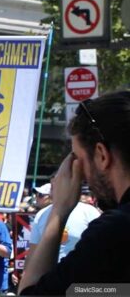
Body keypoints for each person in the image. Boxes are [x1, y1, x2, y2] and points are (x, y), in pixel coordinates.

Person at [19, 92, 130, 294]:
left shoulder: (114, 232)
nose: (80, 174)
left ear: (102, 155)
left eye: (77, 159)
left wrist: (59, 211)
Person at [27, 177, 100, 265]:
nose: (54, 188)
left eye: (59, 183)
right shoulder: (41, 214)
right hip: (50, 274)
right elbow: (33, 251)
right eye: (52, 185)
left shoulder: (89, 212)